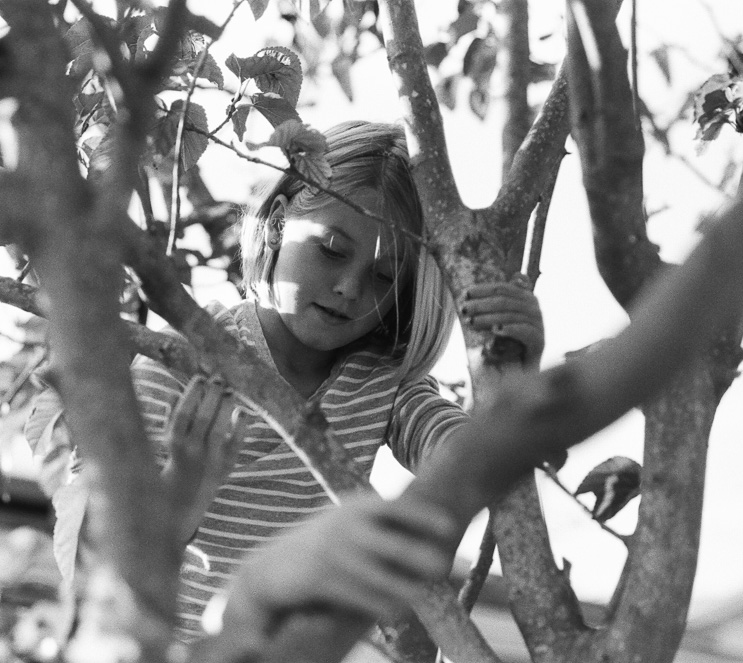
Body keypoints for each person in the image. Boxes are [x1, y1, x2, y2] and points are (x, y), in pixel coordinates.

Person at [131, 120, 544, 639]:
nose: (350, 288)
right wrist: (188, 485)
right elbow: (112, 562)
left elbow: (464, 455)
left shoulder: (380, 381)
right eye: (331, 249)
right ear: (278, 226)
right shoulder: (187, 355)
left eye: (384, 276)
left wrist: (510, 369)